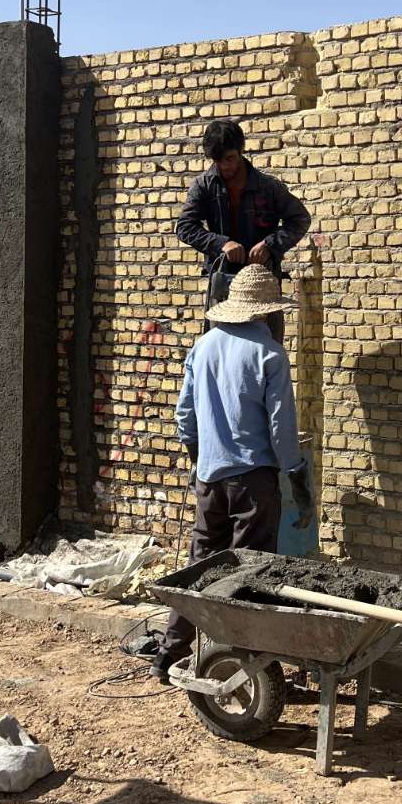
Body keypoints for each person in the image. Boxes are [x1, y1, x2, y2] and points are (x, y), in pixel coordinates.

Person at [151, 265, 313, 681]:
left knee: (201, 565)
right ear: (267, 311)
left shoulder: (203, 346)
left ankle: (169, 651)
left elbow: (185, 417)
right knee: (249, 572)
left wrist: (200, 461)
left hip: (210, 477)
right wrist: (296, 475)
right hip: (253, 482)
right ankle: (244, 660)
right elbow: (281, 427)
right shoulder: (269, 354)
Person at [176, 119, 311, 338]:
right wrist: (221, 244)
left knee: (266, 343)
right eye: (218, 160)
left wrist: (269, 245)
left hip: (262, 282)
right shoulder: (204, 185)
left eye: (230, 158)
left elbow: (300, 219)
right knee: (221, 344)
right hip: (224, 283)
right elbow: (184, 227)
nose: (225, 166)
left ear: (241, 150)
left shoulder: (268, 187)